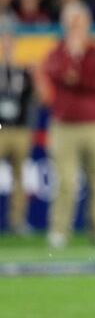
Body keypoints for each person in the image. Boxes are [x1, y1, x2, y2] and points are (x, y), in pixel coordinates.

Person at [43, 1, 95, 249]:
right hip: (65, 125)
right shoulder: (57, 52)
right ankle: (59, 230)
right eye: (71, 24)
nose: (76, 29)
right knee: (64, 181)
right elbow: (55, 73)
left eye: (79, 24)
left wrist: (75, 75)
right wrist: (72, 58)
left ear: (88, 24)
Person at [0, 23, 34, 235]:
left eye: (10, 41)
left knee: (20, 177)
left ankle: (17, 221)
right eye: (4, 41)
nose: (7, 45)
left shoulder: (23, 72)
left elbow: (34, 99)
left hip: (20, 129)